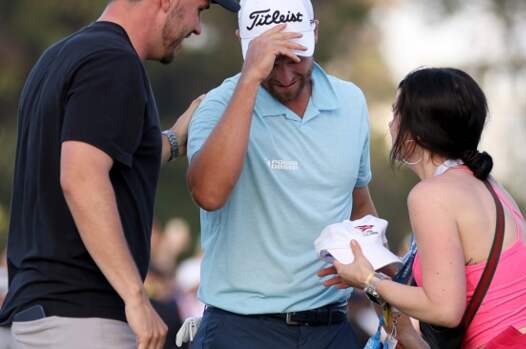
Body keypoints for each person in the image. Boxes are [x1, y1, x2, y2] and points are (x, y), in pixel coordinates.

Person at [0, 0, 240, 348]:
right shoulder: (113, 61)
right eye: (199, 9)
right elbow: (81, 176)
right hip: (80, 322)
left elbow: (103, 153)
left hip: (34, 319)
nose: (197, 27)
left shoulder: (59, 57)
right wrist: (135, 297)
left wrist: (172, 140)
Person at [321, 68, 526, 348]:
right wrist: (388, 291)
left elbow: (445, 310)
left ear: (417, 130)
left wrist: (368, 280)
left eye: (397, 112)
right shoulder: (488, 186)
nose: (391, 122)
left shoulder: (431, 196)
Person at [186, 0, 377, 347]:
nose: (285, 75)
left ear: (315, 32)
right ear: (243, 45)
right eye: (272, 61)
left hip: (331, 326)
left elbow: (358, 205)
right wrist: (249, 80)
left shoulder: (351, 102)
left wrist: (386, 292)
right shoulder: (217, 105)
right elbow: (208, 194)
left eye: (295, 57)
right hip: (241, 329)